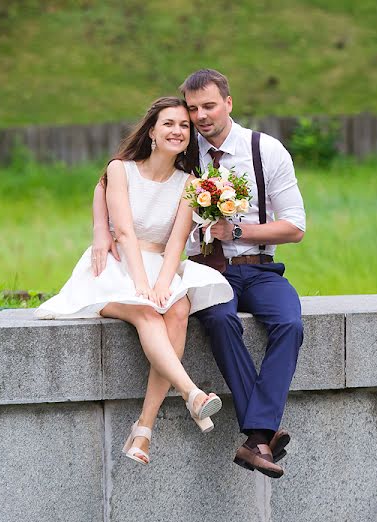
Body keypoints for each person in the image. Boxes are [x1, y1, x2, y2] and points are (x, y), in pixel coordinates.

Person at [90, 69, 306, 478]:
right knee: (221, 321)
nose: (201, 117)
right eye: (193, 110)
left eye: (209, 106)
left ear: (228, 102)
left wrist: (237, 230)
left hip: (259, 269)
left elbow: (295, 226)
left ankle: (256, 437)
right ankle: (261, 437)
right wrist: (103, 230)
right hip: (205, 270)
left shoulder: (267, 150)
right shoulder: (185, 151)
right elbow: (118, 176)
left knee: (290, 323)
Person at [36, 97, 234, 466]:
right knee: (146, 312)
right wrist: (142, 285)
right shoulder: (121, 170)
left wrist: (162, 282)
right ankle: (191, 394)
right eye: (169, 124)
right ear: (152, 133)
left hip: (161, 264)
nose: (178, 131)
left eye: (184, 126)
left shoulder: (191, 184)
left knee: (177, 309)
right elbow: (124, 233)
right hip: (117, 267)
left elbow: (177, 241)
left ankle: (143, 429)